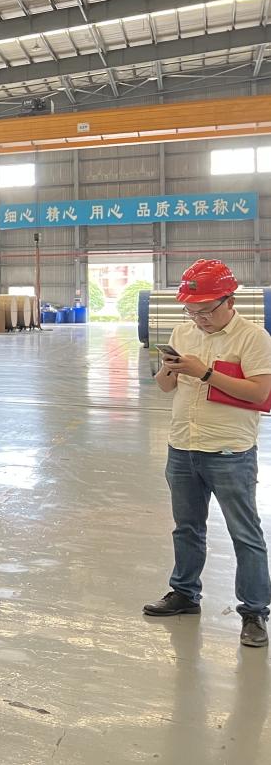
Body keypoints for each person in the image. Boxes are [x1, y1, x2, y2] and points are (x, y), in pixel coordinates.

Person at [145, 259, 271, 648]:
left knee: (244, 533)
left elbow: (260, 393)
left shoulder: (253, 338)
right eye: (191, 310)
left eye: (205, 311)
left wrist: (204, 372)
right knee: (186, 527)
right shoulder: (182, 331)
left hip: (229, 451)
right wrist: (168, 370)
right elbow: (166, 388)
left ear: (228, 301)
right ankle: (185, 593)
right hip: (183, 447)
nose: (198, 318)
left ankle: (254, 611)